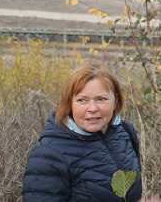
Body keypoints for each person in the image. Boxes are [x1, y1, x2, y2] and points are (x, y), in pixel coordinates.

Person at [23, 62, 147, 201]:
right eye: (82, 100)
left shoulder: (125, 133)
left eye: (101, 99)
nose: (92, 108)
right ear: (69, 104)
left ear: (115, 101)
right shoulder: (49, 154)